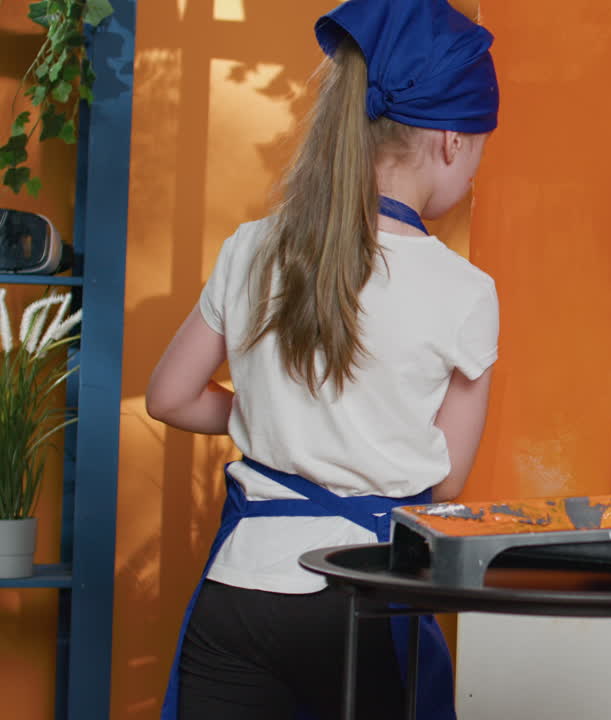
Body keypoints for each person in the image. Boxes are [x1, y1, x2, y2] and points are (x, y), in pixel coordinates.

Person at [145, 0, 500, 717]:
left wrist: (273, 418)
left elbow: (169, 397)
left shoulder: (252, 246)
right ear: (452, 142)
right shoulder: (465, 291)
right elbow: (445, 478)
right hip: (364, 597)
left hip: (238, 595)